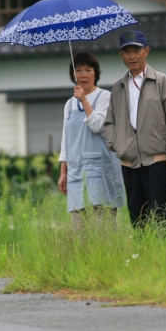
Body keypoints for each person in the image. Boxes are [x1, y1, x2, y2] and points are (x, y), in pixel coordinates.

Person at [104, 30, 166, 229]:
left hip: (157, 159)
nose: (132, 56)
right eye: (127, 52)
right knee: (137, 215)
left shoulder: (162, 82)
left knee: (162, 213)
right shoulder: (119, 87)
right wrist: (117, 144)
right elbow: (110, 122)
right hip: (128, 161)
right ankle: (144, 254)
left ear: (146, 51)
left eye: (136, 50)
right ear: (121, 55)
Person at [58, 51, 125, 230]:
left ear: (96, 73)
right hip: (76, 168)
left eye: (88, 70)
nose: (83, 75)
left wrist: (85, 101)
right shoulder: (69, 104)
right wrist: (63, 171)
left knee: (103, 222)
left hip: (100, 166)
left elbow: (98, 126)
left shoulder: (105, 97)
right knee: (79, 224)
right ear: (73, 75)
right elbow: (66, 139)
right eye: (78, 70)